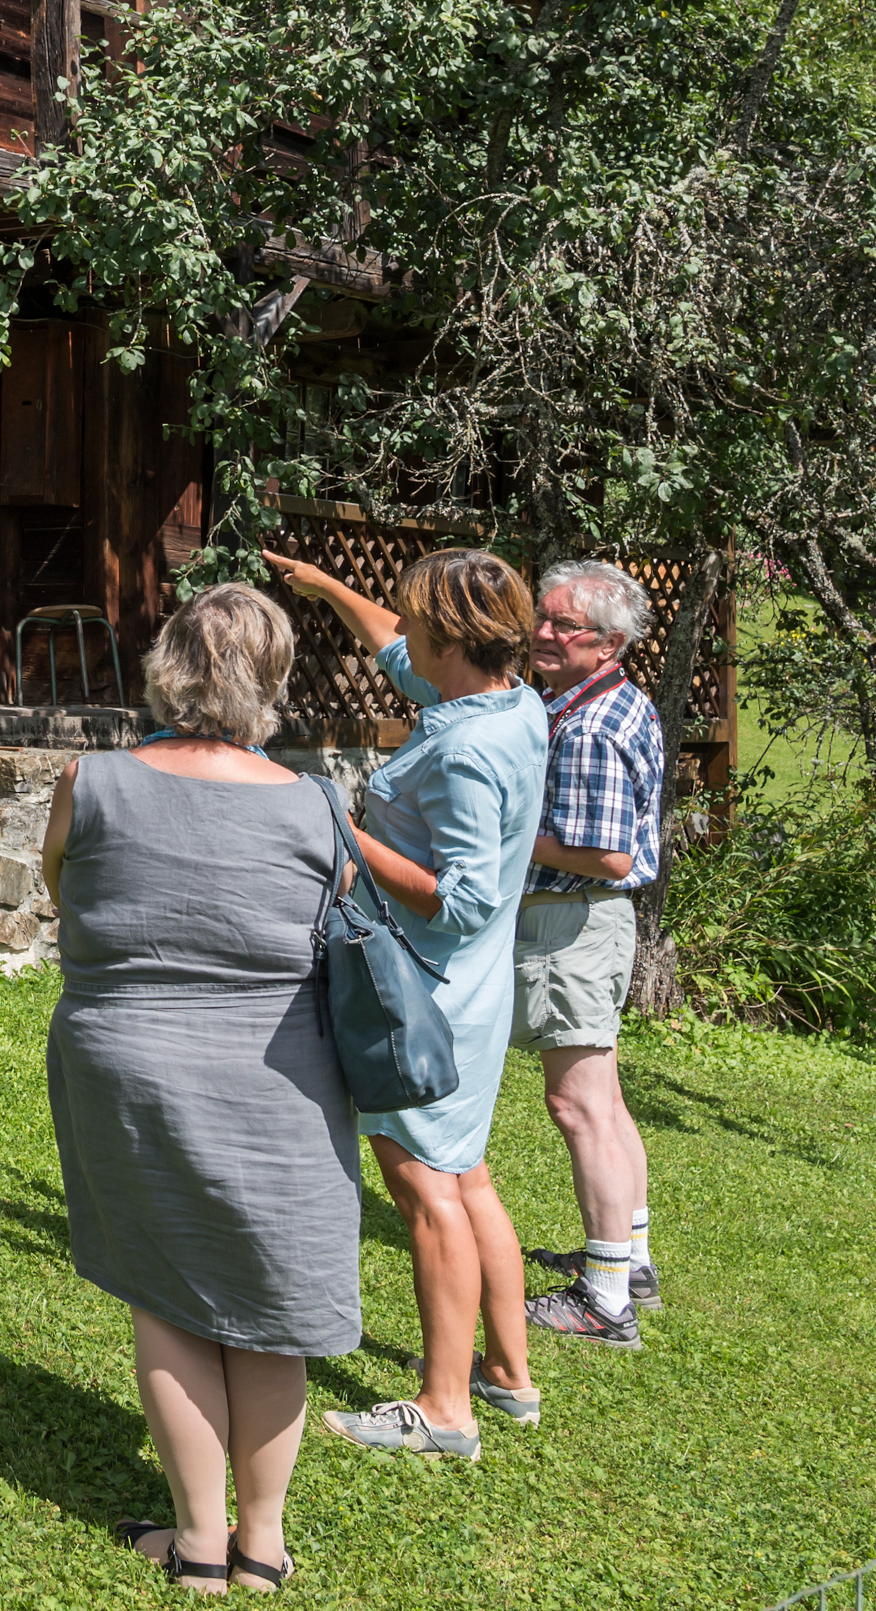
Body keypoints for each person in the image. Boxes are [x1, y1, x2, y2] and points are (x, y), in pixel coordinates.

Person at [45, 584, 360, 1592]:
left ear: (166, 662)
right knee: (272, 1304)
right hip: (280, 1077)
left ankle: (194, 1541)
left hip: (126, 1059)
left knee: (167, 1298)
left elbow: (62, 884)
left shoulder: (88, 778)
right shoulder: (316, 801)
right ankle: (259, 1542)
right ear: (270, 676)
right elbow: (334, 909)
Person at [259, 545, 550, 1460]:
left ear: (453, 637)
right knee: (468, 1176)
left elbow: (459, 898)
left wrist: (337, 829)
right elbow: (390, 644)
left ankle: (445, 1406)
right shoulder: (509, 704)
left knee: (425, 1188)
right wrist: (326, 586)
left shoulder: (464, 749)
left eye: (414, 618)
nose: (401, 629)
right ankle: (508, 1373)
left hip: (423, 992)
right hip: (474, 990)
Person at [516, 557, 669, 1347]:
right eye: (542, 617)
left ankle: (604, 1299)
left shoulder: (592, 726)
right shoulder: (589, 702)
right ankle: (630, 1260)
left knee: (577, 1105)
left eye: (562, 624)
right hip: (587, 923)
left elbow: (605, 852)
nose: (542, 632)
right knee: (601, 1099)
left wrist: (502, 838)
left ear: (607, 643)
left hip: (572, 923)